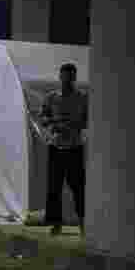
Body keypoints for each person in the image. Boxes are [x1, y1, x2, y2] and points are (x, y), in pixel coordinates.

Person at [39, 63, 88, 235]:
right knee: (54, 187)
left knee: (78, 186)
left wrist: (74, 126)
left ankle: (83, 221)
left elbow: (89, 119)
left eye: (70, 77)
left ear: (74, 78)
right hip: (56, 147)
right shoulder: (51, 97)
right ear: (60, 77)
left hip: (74, 147)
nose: (67, 80)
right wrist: (52, 124)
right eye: (64, 76)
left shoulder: (83, 98)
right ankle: (56, 223)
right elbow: (43, 117)